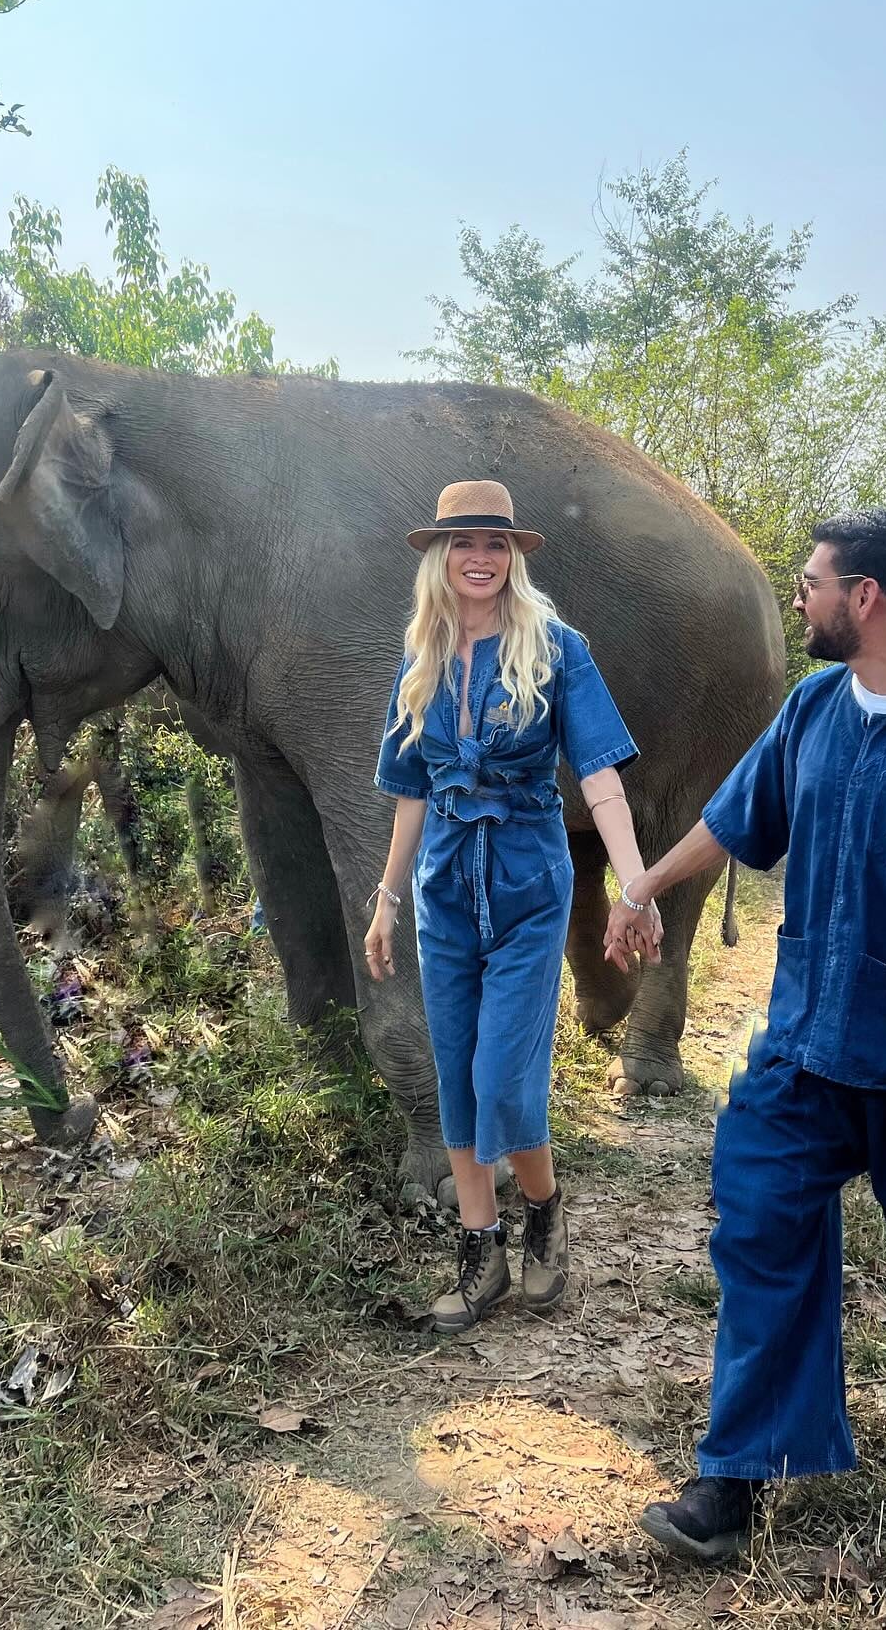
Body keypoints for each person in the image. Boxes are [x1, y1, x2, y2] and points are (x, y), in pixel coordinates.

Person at [606, 509, 886, 1563]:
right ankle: (738, 1478)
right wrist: (643, 883)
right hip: (802, 1049)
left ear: (866, 597)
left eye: (812, 580)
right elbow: (734, 818)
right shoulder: (814, 708)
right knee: (760, 1232)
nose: (800, 596)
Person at [367, 480, 659, 1332]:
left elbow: (600, 774)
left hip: (530, 883)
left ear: (515, 555)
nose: (480, 557)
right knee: (457, 1076)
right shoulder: (420, 660)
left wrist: (632, 882)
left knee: (503, 1079)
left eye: (495, 543)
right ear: (440, 556)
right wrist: (387, 899)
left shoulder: (557, 647)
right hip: (446, 891)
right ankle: (480, 1253)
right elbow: (412, 795)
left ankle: (544, 1215)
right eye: (464, 543)